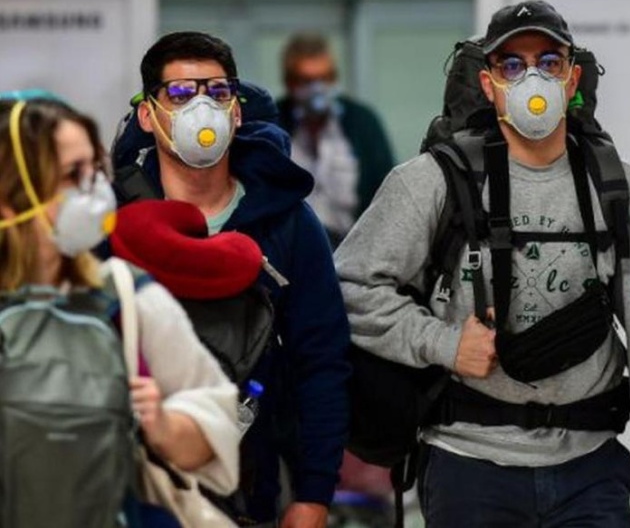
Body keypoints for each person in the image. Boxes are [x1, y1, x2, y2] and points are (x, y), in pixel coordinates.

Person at [335, 0, 630, 527]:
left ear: (572, 78)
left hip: (591, 466)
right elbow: (350, 287)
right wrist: (443, 343)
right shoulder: (431, 181)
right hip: (468, 464)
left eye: (549, 62)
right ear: (488, 83)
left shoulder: (616, 186)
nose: (532, 78)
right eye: (512, 65)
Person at [112, 31, 351, 528]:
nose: (202, 107)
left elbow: (322, 361)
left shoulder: (287, 222)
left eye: (218, 92)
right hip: (134, 484)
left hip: (256, 485)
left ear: (237, 112)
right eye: (181, 93)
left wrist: (314, 493)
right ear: (148, 115)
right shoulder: (117, 219)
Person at [0, 95, 240, 519]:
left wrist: (163, 425)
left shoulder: (127, 299)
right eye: (73, 175)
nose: (95, 189)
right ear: (11, 197)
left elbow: (214, 433)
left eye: (95, 169)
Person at [277, 33, 395, 247]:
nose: (318, 88)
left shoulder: (362, 122)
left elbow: (387, 189)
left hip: (354, 248)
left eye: (326, 78)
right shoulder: (273, 123)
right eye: (307, 81)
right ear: (290, 83)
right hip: (289, 251)